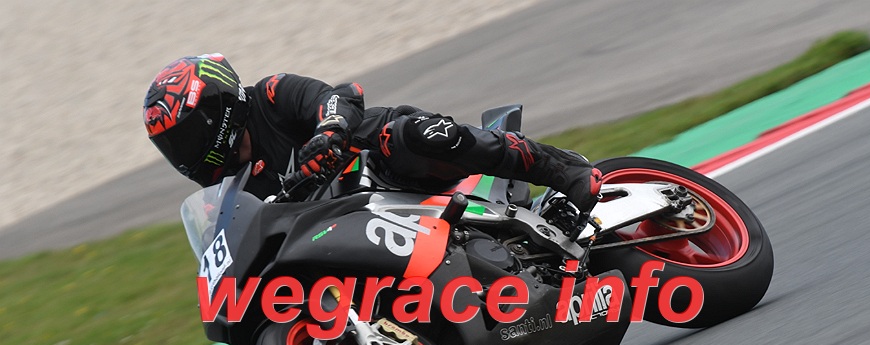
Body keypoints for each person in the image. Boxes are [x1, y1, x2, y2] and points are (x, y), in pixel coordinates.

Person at [143, 53, 602, 213]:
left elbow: (333, 98)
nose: (182, 153)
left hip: (388, 165)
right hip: (344, 227)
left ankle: (561, 170)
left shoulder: (271, 94)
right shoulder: (224, 193)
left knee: (411, 136)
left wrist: (330, 132)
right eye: (170, 146)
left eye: (185, 136)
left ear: (217, 109)